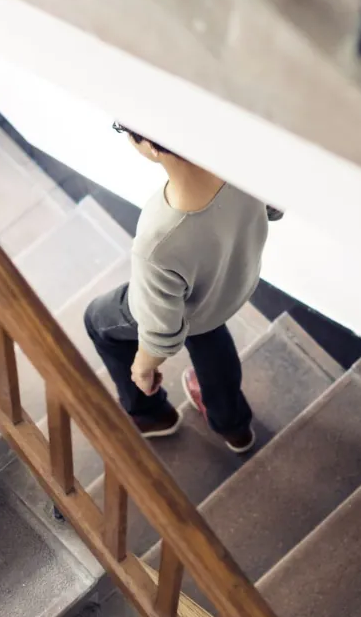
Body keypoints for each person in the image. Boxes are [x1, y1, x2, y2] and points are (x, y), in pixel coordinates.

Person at [84, 123, 269, 452]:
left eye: (124, 130)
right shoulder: (244, 161)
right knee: (206, 330)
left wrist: (144, 367)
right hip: (231, 288)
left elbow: (160, 330)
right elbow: (272, 208)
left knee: (98, 320)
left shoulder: (159, 239)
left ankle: (150, 414)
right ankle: (234, 426)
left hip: (193, 305)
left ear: (153, 146)